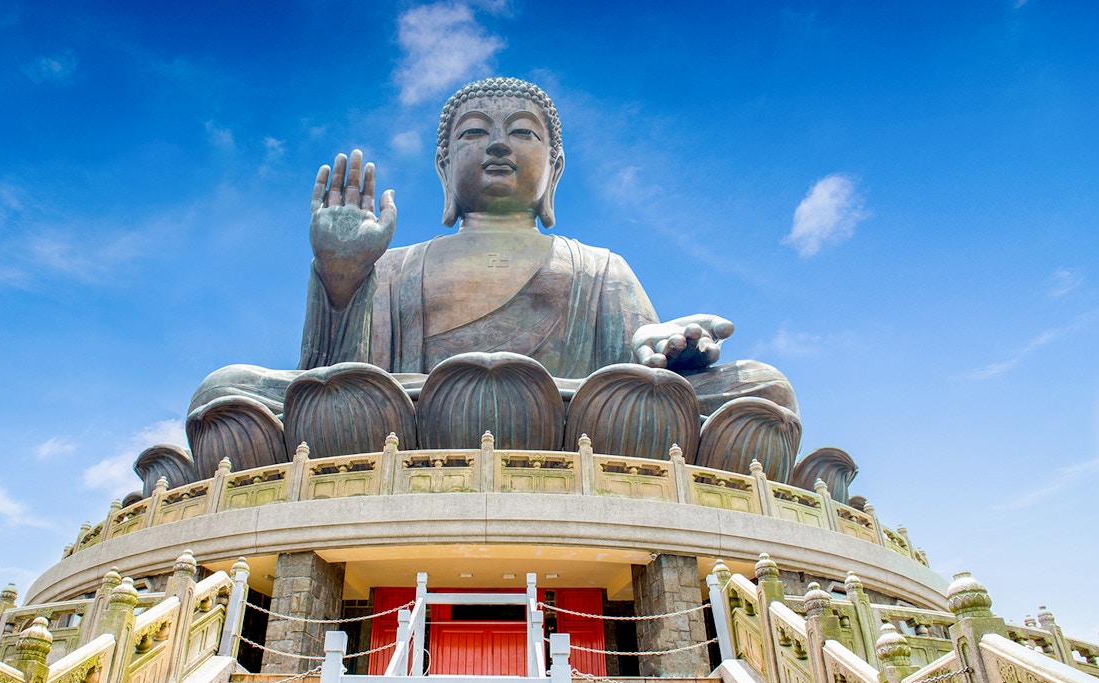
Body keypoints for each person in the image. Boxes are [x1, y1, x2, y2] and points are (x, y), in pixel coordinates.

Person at [191, 77, 795, 428]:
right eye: (475, 132)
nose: (500, 145)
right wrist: (342, 278)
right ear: (444, 167)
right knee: (224, 391)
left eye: (523, 133)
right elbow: (330, 377)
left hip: (567, 419)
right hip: (407, 417)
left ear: (553, 167)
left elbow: (638, 369)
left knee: (764, 388)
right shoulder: (396, 268)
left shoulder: (600, 269)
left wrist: (661, 355)